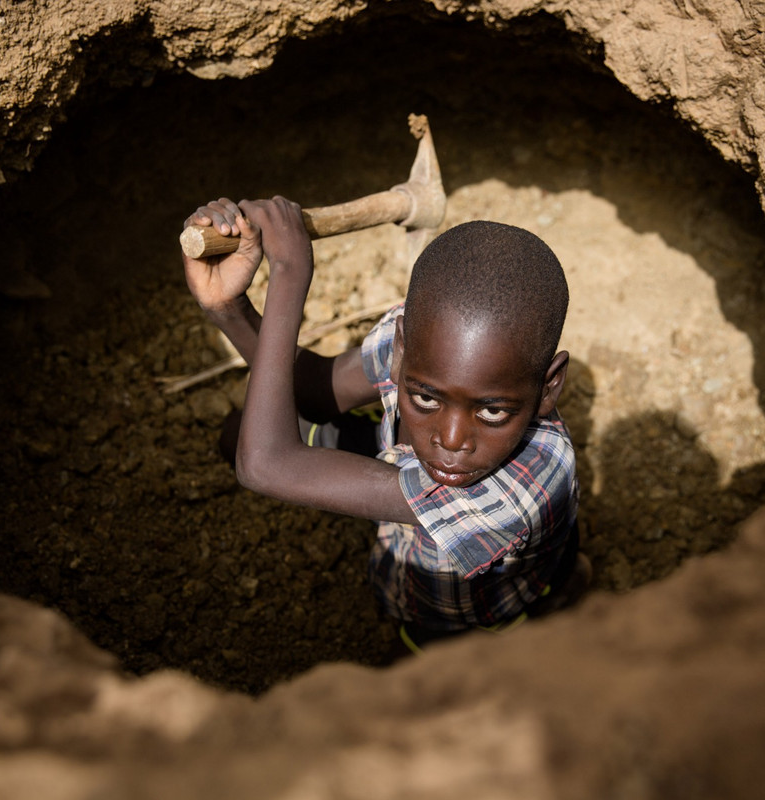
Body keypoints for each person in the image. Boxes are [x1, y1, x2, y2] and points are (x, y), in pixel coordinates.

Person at [181, 196, 587, 651]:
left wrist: (289, 275)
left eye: (492, 411)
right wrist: (227, 307)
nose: (451, 441)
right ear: (401, 349)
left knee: (424, 657)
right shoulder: (422, 338)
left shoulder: (528, 483)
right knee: (242, 430)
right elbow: (315, 391)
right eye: (426, 397)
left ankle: (553, 599)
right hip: (397, 484)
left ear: (549, 387)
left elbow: (264, 466)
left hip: (458, 608)